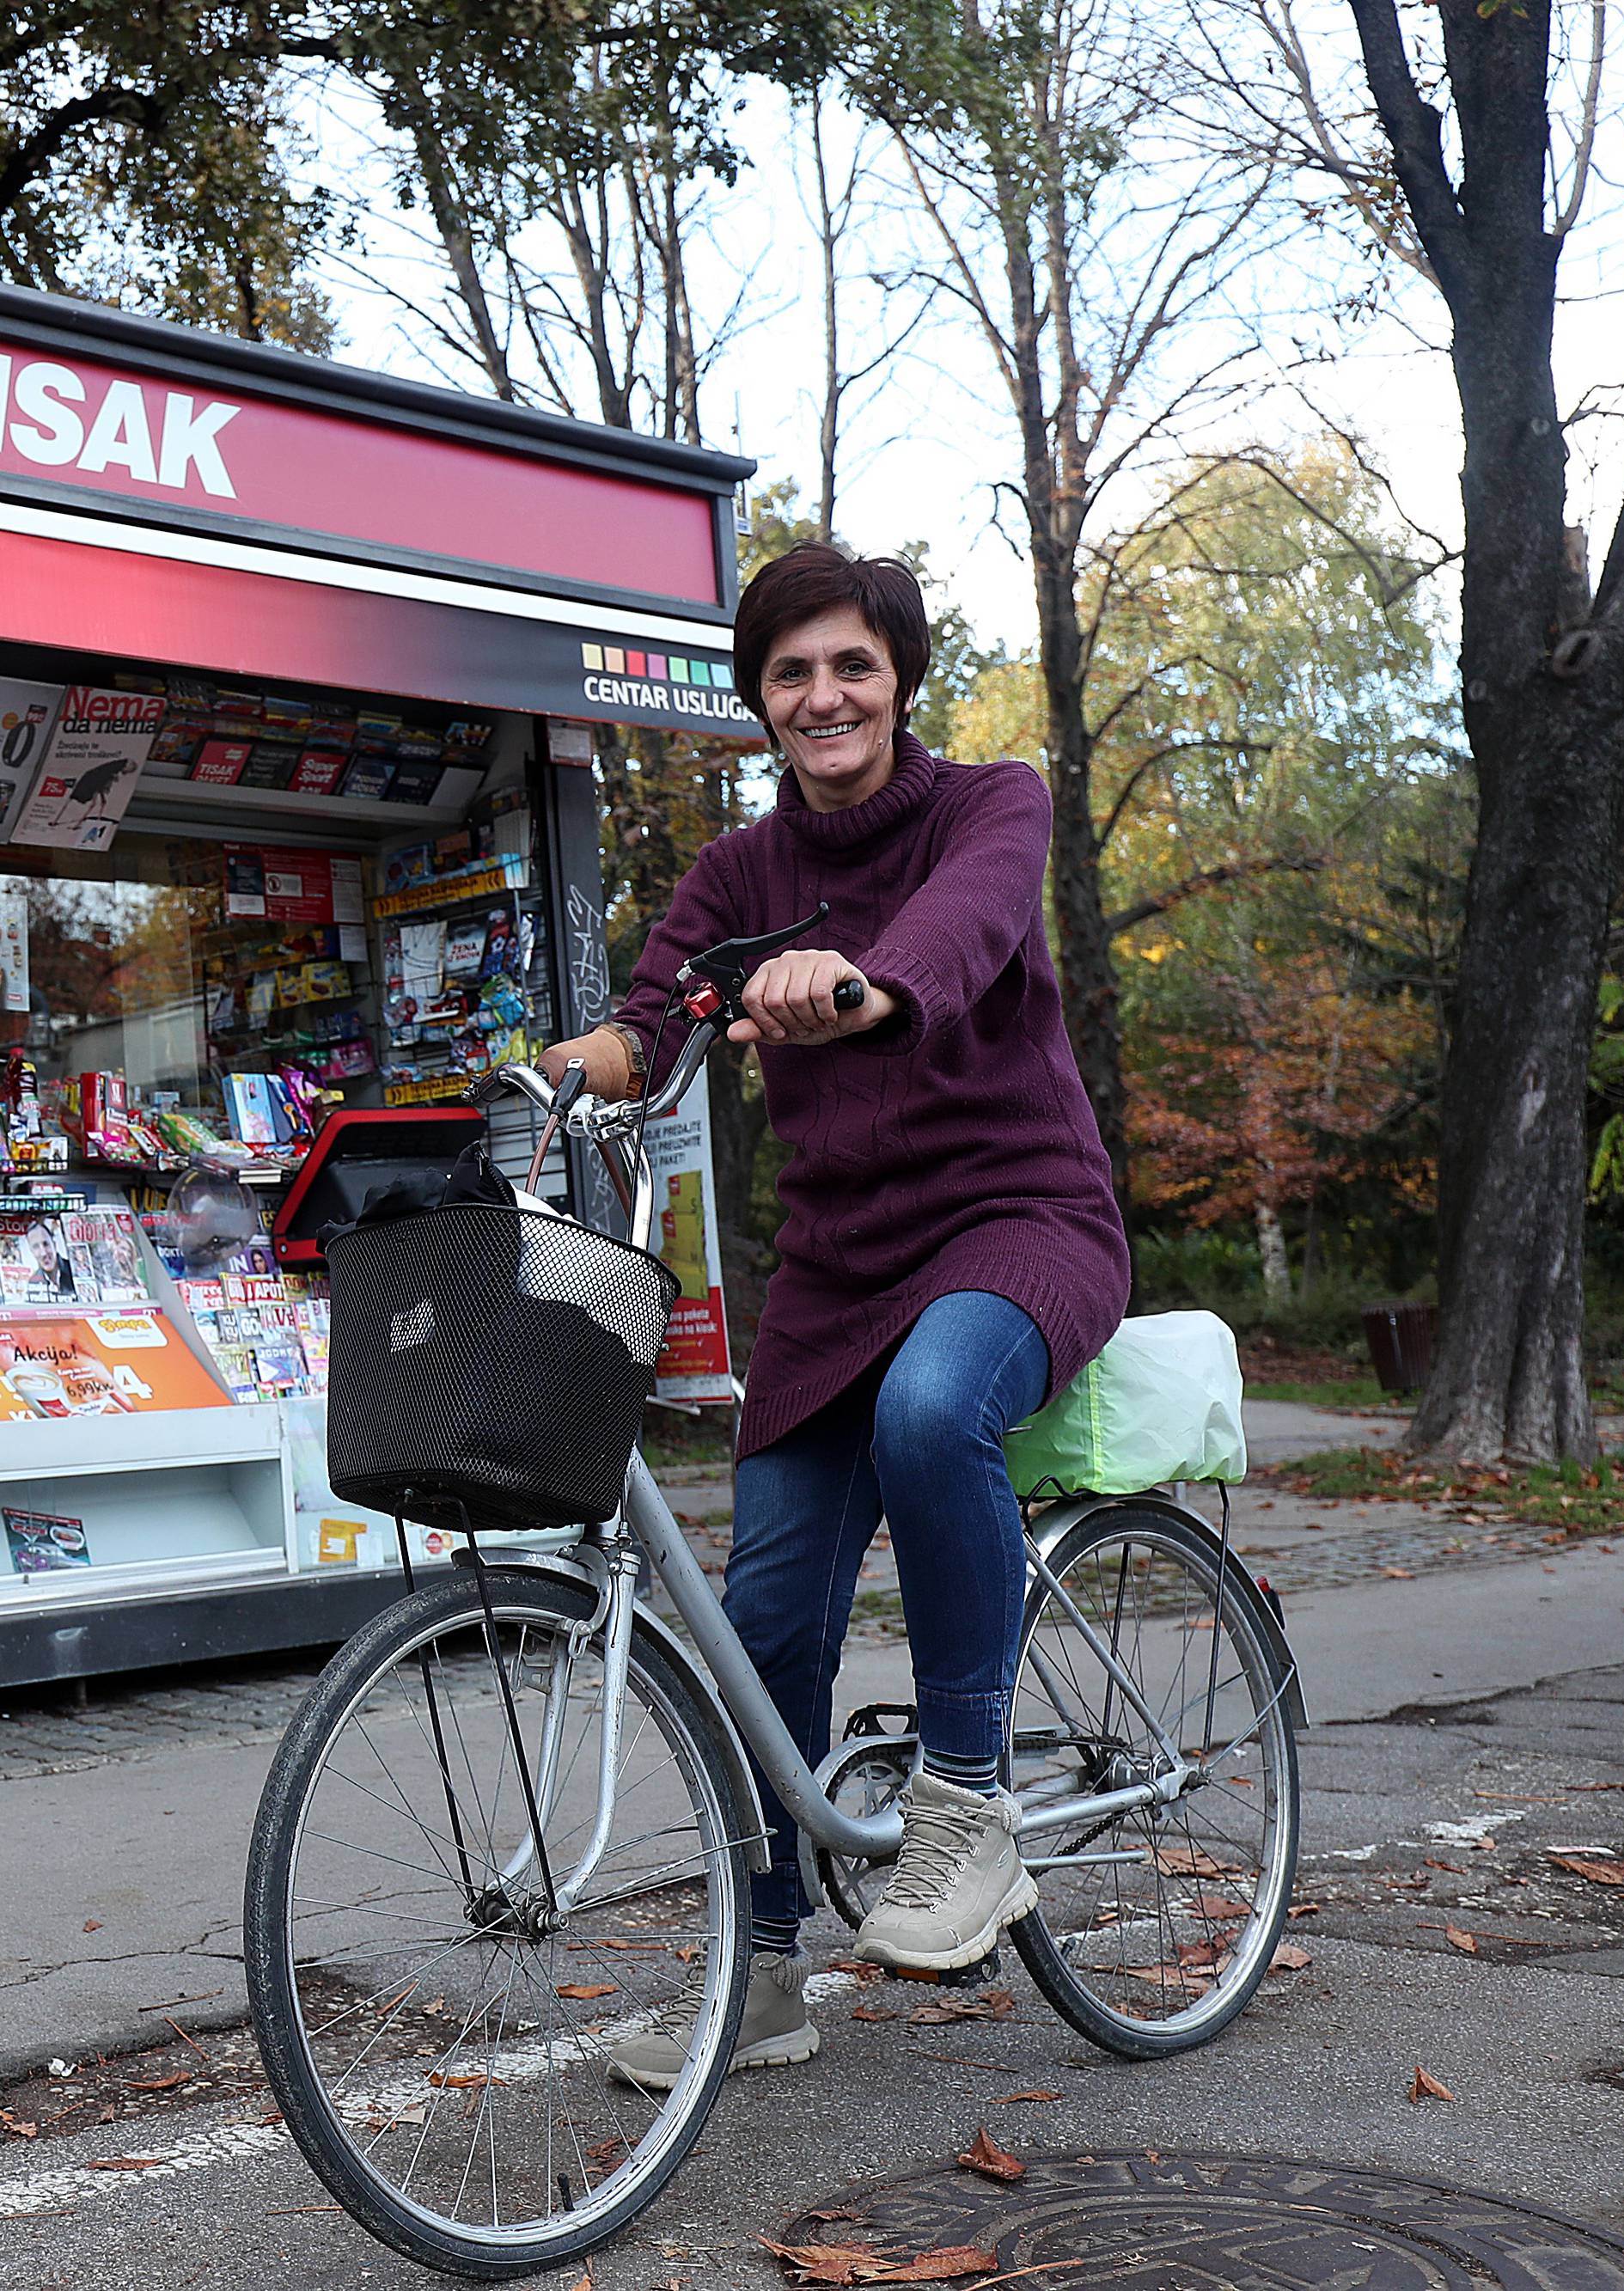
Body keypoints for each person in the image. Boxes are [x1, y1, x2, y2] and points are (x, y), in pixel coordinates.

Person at [536, 542, 1130, 2087]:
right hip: (839, 1269)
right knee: (767, 1622)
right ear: (758, 702)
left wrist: (859, 984)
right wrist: (559, 1068)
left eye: (849, 663)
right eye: (790, 672)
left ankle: (966, 1806)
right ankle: (763, 1966)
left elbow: (967, 928)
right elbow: (653, 1013)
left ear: (898, 676)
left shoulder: (990, 801)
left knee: (937, 1414)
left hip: (1022, 1221)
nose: (823, 695)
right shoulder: (736, 878)